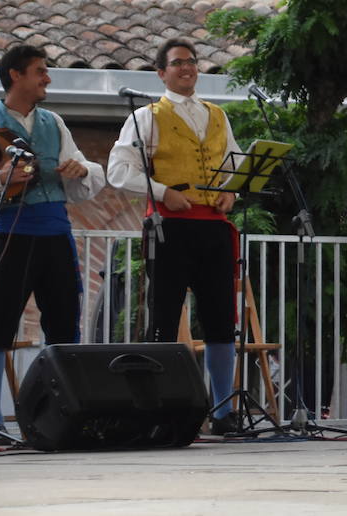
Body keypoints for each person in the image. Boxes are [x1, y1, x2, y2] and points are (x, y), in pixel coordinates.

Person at [107, 38, 240, 436]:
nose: (187, 68)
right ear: (161, 72)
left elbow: (233, 162)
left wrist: (231, 190)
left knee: (220, 318)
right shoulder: (146, 116)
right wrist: (164, 192)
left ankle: (222, 411)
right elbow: (119, 169)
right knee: (164, 316)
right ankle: (158, 409)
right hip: (170, 226)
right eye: (178, 63)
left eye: (192, 62)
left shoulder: (217, 115)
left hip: (213, 227)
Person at [0, 46, 105, 432]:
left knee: (64, 324)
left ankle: (60, 419)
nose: (48, 78)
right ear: (15, 76)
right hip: (11, 234)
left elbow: (85, 170)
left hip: (57, 233)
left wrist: (79, 169)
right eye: (40, 71)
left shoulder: (54, 122)